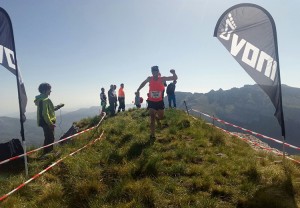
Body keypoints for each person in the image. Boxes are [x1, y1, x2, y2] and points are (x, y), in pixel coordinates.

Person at [136, 66, 177, 139]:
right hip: (151, 102)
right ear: (152, 72)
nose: (154, 73)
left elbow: (174, 78)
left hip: (159, 101)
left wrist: (174, 73)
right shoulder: (149, 78)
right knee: (152, 119)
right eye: (153, 71)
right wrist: (138, 89)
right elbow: (143, 83)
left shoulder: (162, 79)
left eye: (156, 71)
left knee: (161, 117)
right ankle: (152, 135)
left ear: (158, 72)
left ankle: (157, 118)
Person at [34, 83, 64, 154]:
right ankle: (48, 154)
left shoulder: (41, 99)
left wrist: (58, 106)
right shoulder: (45, 100)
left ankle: (47, 153)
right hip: (47, 122)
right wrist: (50, 124)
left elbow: (49, 110)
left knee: (48, 137)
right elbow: (45, 113)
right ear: (45, 90)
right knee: (50, 138)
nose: (50, 91)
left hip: (44, 122)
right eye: (49, 90)